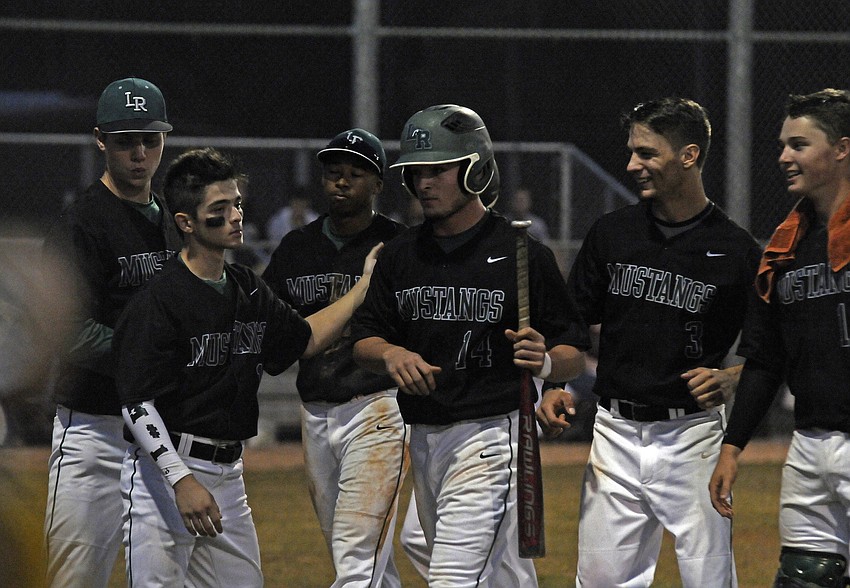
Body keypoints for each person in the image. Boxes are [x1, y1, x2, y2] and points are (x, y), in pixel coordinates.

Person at [111, 147, 381, 586]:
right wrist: (180, 481)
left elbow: (305, 339)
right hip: (164, 476)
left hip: (228, 476)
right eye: (219, 209)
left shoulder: (246, 288)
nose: (236, 215)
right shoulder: (159, 299)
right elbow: (136, 404)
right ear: (186, 223)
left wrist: (365, 285)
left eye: (236, 203)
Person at [351, 103, 589, 587]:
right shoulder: (402, 254)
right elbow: (363, 340)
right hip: (424, 436)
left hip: (489, 439)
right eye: (417, 173)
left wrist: (544, 363)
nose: (424, 184)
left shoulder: (522, 254)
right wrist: (392, 353)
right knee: (488, 572)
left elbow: (573, 355)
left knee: (454, 580)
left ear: (475, 168)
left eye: (438, 170)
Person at [538, 97, 761, 587]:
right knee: (599, 582)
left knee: (709, 581)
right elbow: (572, 330)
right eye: (632, 151)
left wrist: (732, 376)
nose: (631, 165)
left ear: (688, 155)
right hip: (614, 433)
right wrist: (554, 383)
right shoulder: (613, 233)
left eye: (646, 153)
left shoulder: (736, 249)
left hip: (693, 436)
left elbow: (778, 345)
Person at [42, 77, 181, 588]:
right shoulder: (81, 224)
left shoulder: (171, 220)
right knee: (76, 579)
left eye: (150, 139)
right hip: (93, 430)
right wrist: (139, 353)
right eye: (125, 141)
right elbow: (63, 328)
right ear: (101, 140)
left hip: (161, 431)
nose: (140, 153)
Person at [709, 88, 850, 587]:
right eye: (783, 145)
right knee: (805, 577)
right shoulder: (785, 248)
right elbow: (764, 358)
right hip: (810, 444)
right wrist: (733, 446)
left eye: (798, 145)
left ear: (841, 149)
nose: (783, 157)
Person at [261, 128, 409, 588]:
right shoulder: (296, 248)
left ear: (378, 184)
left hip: (377, 409)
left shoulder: (400, 246)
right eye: (333, 173)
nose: (341, 182)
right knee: (363, 561)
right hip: (316, 413)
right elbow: (272, 330)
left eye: (356, 174)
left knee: (356, 557)